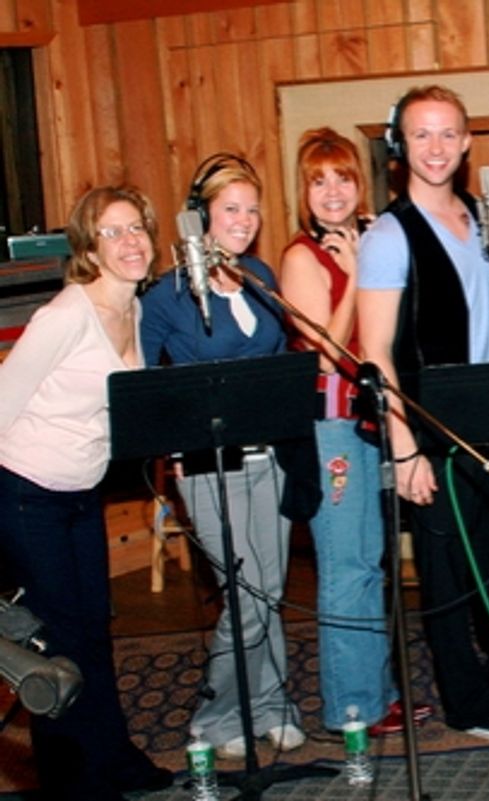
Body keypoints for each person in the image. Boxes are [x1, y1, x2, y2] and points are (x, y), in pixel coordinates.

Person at [356, 85, 489, 742]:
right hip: (427, 428)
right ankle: (464, 698)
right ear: (400, 146)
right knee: (443, 571)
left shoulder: (481, 216)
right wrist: (402, 446)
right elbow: (374, 350)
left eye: (447, 134)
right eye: (420, 135)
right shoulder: (388, 234)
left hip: (486, 422)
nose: (434, 147)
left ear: (466, 143)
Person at [0, 186, 173, 800]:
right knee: (58, 649)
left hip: (78, 493)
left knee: (94, 630)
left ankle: (113, 758)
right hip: (26, 492)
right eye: (113, 232)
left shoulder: (136, 308)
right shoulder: (66, 316)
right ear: (88, 249)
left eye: (137, 229)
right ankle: (74, 784)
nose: (130, 243)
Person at [140, 154, 310, 759]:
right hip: (209, 463)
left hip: (271, 457)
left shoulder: (261, 276)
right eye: (230, 209)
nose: (243, 220)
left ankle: (270, 704)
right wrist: (171, 443)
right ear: (200, 216)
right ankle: (216, 716)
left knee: (271, 586)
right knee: (249, 590)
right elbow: (139, 378)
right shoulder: (168, 295)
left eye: (252, 209)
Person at [279, 127, 431, 737]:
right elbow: (326, 353)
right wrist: (355, 272)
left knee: (370, 563)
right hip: (331, 426)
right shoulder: (299, 256)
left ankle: (377, 695)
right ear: (305, 191)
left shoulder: (369, 238)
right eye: (319, 180)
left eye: (342, 177)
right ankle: (353, 709)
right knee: (347, 568)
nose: (333, 190)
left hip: (370, 421)